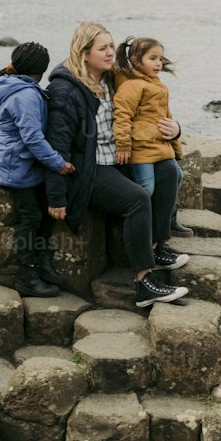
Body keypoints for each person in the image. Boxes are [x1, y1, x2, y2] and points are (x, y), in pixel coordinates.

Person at [44, 22, 188, 309]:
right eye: (103, 48)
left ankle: (157, 246)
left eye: (111, 46)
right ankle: (144, 283)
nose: (111, 53)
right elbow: (56, 145)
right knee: (136, 199)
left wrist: (177, 129)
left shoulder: (113, 79)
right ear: (84, 53)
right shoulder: (65, 90)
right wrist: (56, 195)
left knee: (168, 170)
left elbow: (150, 105)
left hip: (117, 159)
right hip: (88, 170)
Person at [0, 41, 75, 298]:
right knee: (32, 218)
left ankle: (42, 265)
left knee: (47, 210)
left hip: (19, 163)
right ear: (42, 70)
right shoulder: (25, 95)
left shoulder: (18, 87)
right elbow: (32, 138)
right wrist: (58, 163)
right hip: (16, 169)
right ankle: (27, 275)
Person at [113, 36, 186, 252]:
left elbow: (167, 116)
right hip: (141, 150)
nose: (158, 63)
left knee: (178, 176)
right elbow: (122, 115)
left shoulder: (157, 85)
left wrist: (177, 144)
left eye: (160, 59)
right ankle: (138, 228)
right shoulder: (132, 86)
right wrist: (123, 144)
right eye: (152, 58)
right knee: (147, 189)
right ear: (136, 61)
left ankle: (168, 217)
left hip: (159, 147)